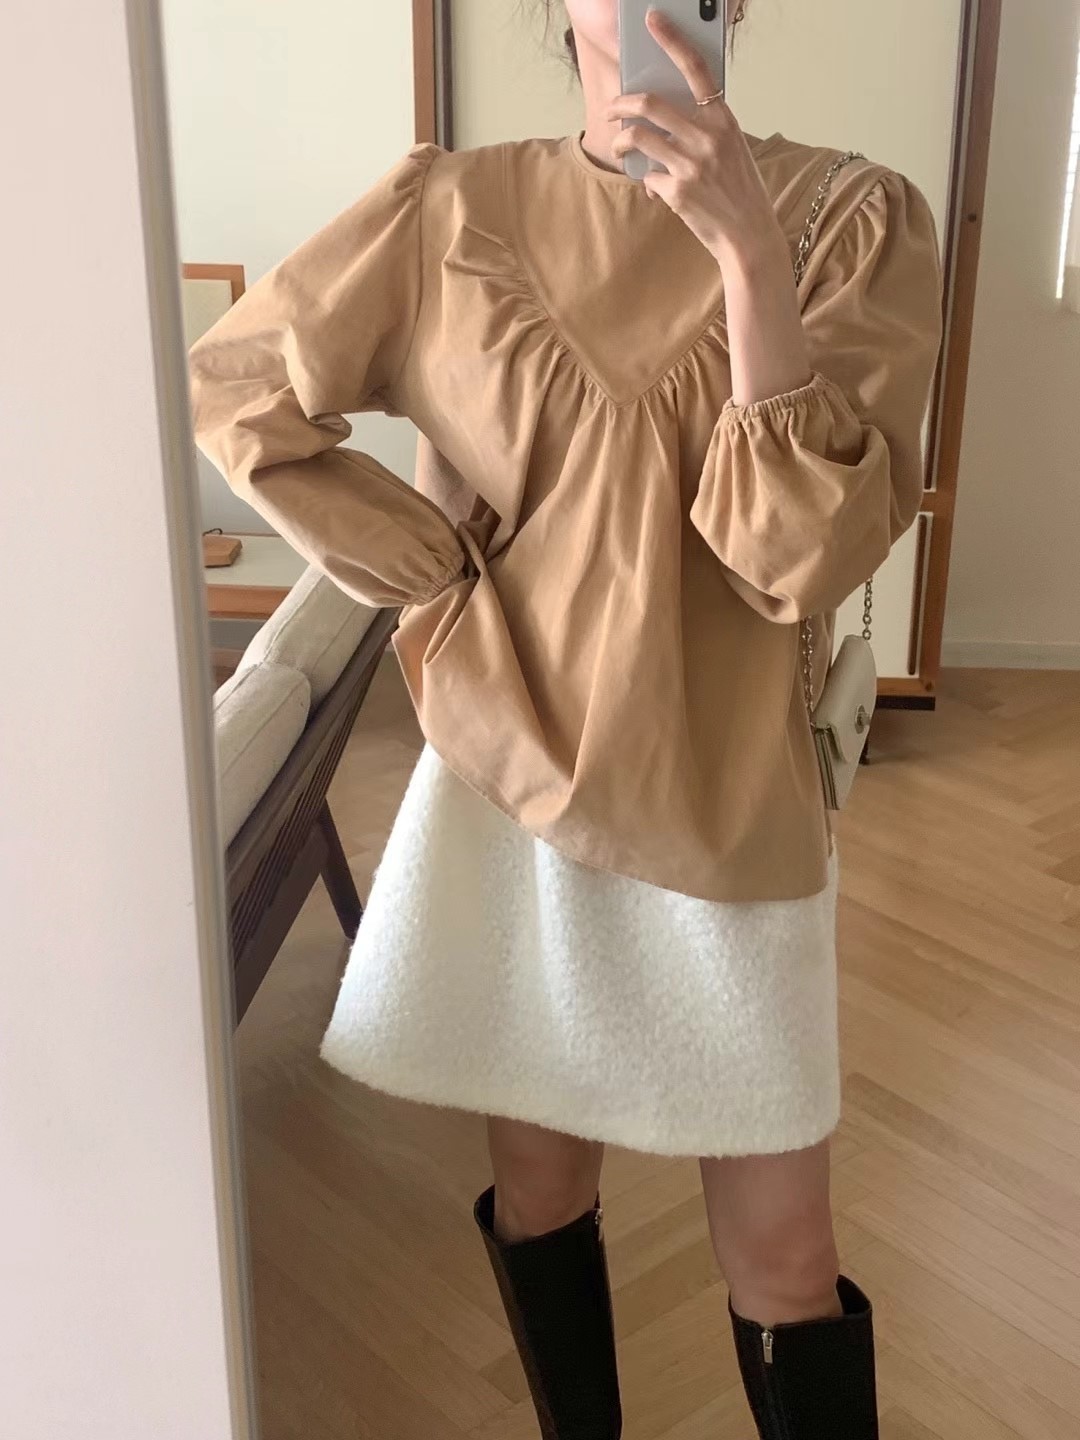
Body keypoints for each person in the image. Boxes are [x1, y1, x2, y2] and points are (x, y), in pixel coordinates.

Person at [190, 3, 942, 1434]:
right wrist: (419, 565)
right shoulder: (449, 211)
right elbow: (240, 386)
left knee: (787, 1255)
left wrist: (749, 256)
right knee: (542, 1193)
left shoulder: (852, 220)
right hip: (511, 775)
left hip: (730, 800)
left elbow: (797, 558)